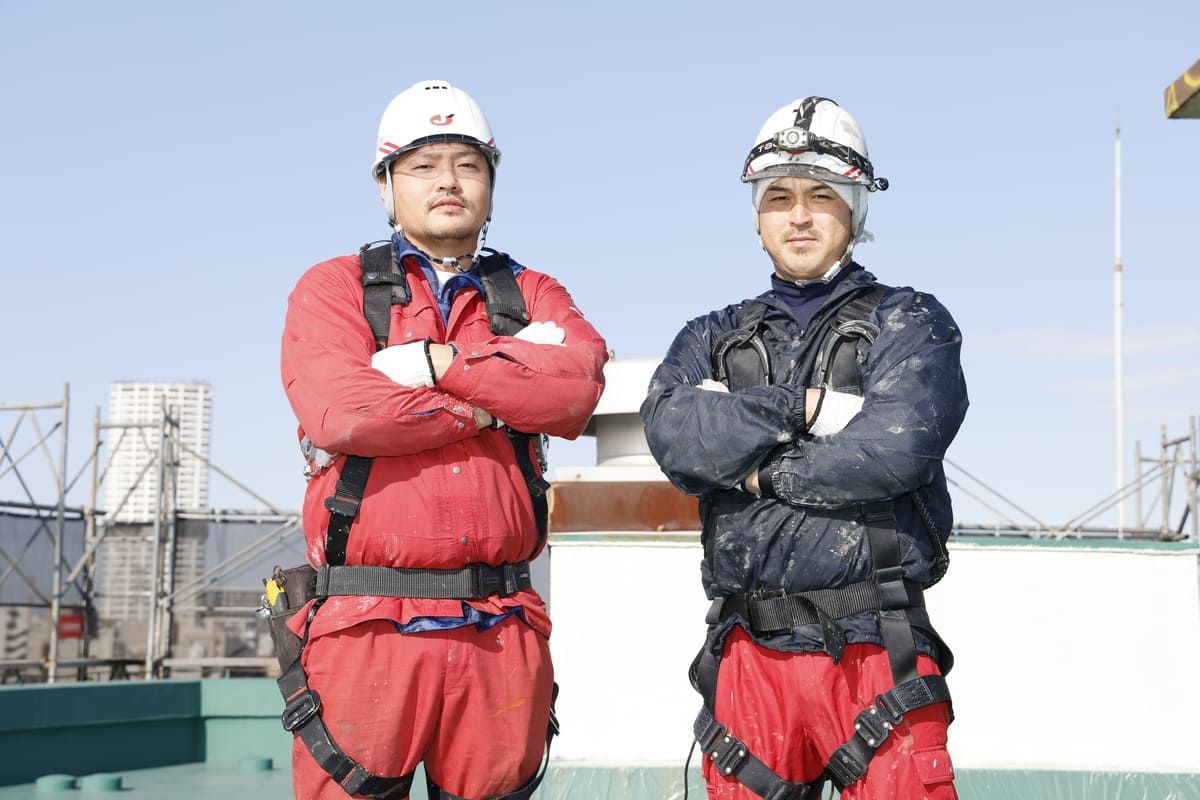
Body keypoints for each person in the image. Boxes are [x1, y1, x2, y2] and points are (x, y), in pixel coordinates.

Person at [278, 80, 608, 800]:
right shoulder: (333, 289)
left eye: (468, 163)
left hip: (502, 629)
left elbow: (576, 389)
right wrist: (498, 404)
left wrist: (437, 368)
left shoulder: (532, 293)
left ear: (492, 179)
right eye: (423, 165)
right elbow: (344, 412)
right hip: (365, 627)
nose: (449, 182)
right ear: (386, 185)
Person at [640, 96, 967, 800]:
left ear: (856, 209)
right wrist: (806, 407)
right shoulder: (710, 334)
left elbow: (894, 451)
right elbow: (672, 431)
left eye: (822, 195)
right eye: (779, 197)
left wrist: (752, 472)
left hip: (878, 646)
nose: (798, 215)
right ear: (757, 214)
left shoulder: (911, 322)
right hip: (748, 651)